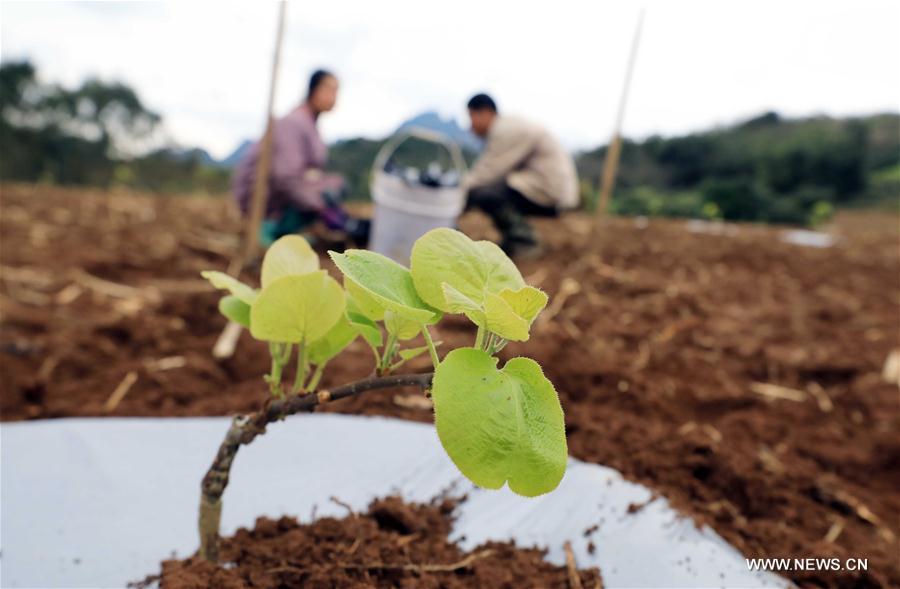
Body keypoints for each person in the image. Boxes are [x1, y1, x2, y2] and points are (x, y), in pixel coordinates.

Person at [233, 69, 368, 247]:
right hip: (264, 201)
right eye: (329, 89)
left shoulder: (309, 124)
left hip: (282, 194)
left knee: (335, 184)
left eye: (336, 91)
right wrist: (321, 206)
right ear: (313, 90)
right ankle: (273, 229)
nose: (334, 97)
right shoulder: (293, 123)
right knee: (329, 191)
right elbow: (286, 177)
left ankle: (286, 230)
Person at [463, 93, 579, 257]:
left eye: (471, 116)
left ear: (485, 112)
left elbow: (488, 172)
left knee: (484, 194)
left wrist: (459, 193)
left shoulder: (505, 130)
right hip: (545, 187)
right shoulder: (508, 126)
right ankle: (514, 238)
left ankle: (523, 240)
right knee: (491, 190)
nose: (470, 125)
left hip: (549, 191)